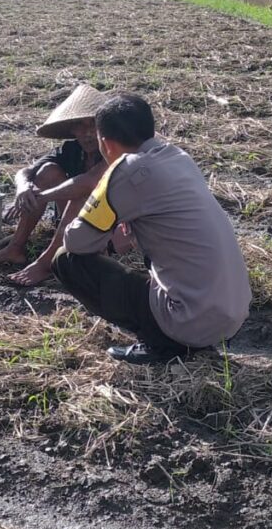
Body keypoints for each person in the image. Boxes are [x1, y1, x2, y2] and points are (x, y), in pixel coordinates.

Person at [53, 94, 251, 365]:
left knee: (65, 260)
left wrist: (105, 229)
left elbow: (76, 241)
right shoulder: (177, 157)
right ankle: (178, 334)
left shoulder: (127, 170)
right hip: (231, 316)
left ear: (106, 142)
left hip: (190, 321)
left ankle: (160, 343)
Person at [0, 83, 109, 286]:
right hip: (72, 220)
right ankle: (16, 247)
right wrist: (24, 187)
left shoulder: (112, 151)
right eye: (81, 125)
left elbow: (88, 182)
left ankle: (46, 263)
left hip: (106, 226)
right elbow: (27, 171)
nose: (88, 132)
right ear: (72, 129)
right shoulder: (71, 150)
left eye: (93, 124)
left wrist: (44, 196)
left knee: (85, 193)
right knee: (48, 172)